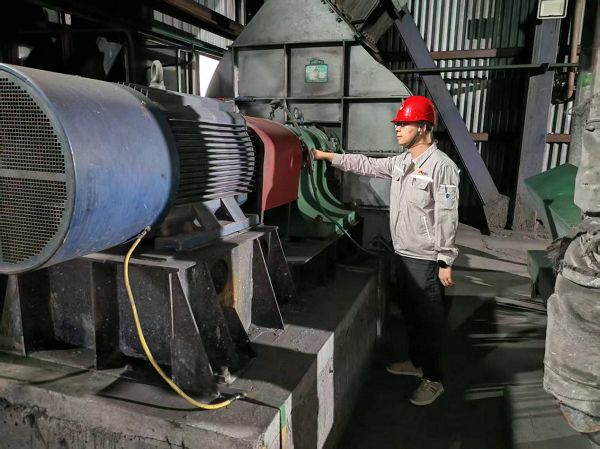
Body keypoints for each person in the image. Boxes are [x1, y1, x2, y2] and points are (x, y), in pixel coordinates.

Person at [312, 96, 460, 406]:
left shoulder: (442, 167)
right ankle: (417, 362)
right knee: (410, 313)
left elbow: (447, 216)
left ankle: (434, 379)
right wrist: (327, 156)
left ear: (423, 127)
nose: (397, 129)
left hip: (425, 259)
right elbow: (366, 164)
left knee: (428, 319)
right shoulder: (402, 162)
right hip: (402, 253)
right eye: (398, 124)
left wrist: (445, 259)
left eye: (404, 124)